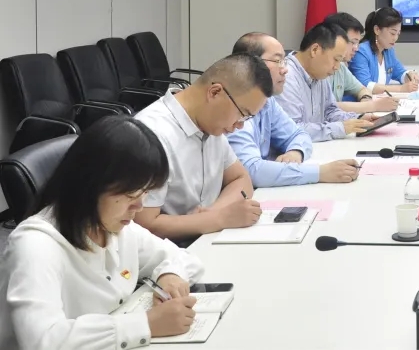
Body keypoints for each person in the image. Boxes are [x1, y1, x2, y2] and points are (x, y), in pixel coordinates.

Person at [0, 116, 205, 350]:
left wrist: (170, 275)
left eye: (146, 192)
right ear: (90, 185)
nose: (139, 206)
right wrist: (146, 324)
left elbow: (186, 259)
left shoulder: (114, 226)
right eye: (131, 194)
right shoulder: (35, 246)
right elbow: (43, 341)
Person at [133, 53, 268, 241]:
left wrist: (212, 214)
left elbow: (240, 178)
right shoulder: (151, 134)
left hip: (208, 237)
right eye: (242, 114)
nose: (240, 125)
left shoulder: (211, 124)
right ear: (215, 92)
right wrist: (219, 219)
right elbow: (144, 226)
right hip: (172, 250)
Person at [227, 32, 360, 187]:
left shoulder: (268, 102)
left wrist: (296, 151)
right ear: (247, 64)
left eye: (284, 61)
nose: (285, 69)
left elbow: (299, 134)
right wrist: (320, 173)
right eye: (277, 61)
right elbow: (251, 171)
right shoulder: (233, 108)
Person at [280, 22, 376, 142]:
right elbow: (292, 129)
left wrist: (358, 119)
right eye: (336, 59)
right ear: (315, 50)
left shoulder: (319, 73)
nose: (337, 67)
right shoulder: (285, 77)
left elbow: (330, 111)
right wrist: (340, 128)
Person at [323, 12, 398, 114]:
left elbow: (362, 89)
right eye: (353, 42)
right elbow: (327, 107)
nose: (356, 48)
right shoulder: (320, 69)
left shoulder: (341, 67)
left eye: (357, 43)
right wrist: (371, 106)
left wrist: (366, 101)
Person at [348, 7, 419, 95]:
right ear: (377, 30)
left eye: (398, 34)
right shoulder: (361, 51)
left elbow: (400, 73)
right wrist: (400, 89)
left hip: (379, 101)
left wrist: (410, 76)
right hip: (359, 102)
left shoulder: (388, 51)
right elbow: (365, 85)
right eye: (392, 33)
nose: (395, 38)